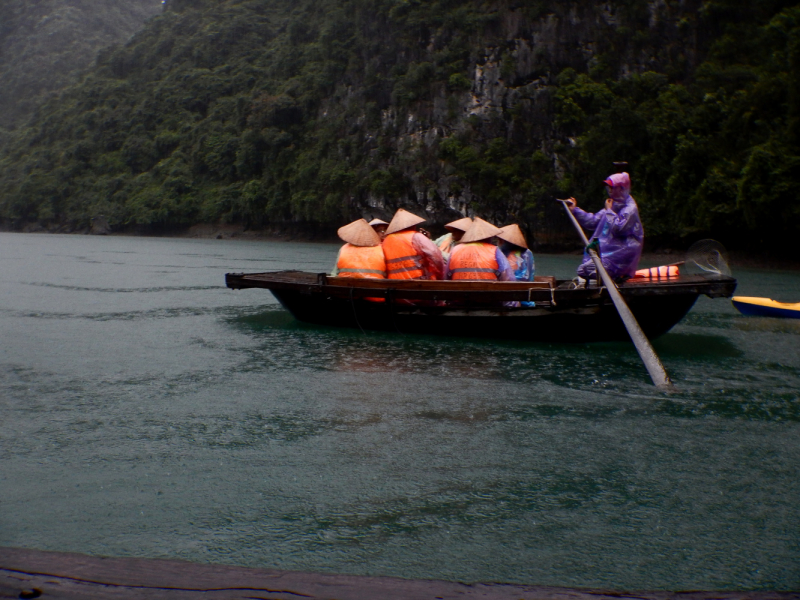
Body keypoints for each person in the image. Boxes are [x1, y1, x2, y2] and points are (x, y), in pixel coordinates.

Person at [564, 172, 643, 283]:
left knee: (589, 270)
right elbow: (592, 221)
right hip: (607, 253)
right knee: (582, 270)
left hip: (621, 254)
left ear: (620, 188)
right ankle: (605, 275)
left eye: (612, 187)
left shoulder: (630, 209)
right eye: (608, 187)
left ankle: (615, 275)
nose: (609, 190)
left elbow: (619, 229)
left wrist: (609, 211)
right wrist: (575, 210)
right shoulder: (613, 205)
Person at [382, 208, 445, 280]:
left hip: (394, 282)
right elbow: (436, 256)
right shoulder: (416, 236)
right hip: (418, 281)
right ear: (413, 225)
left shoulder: (386, 240)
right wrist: (440, 275)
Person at [446, 218, 515, 282]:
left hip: (458, 293)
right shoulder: (494, 251)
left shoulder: (455, 250)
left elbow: (446, 277)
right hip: (489, 293)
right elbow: (508, 278)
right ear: (487, 237)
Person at [497, 223, 535, 307]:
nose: (499, 243)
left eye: (501, 241)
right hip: (517, 294)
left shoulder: (525, 253)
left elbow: (525, 277)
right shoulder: (527, 253)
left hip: (517, 294)